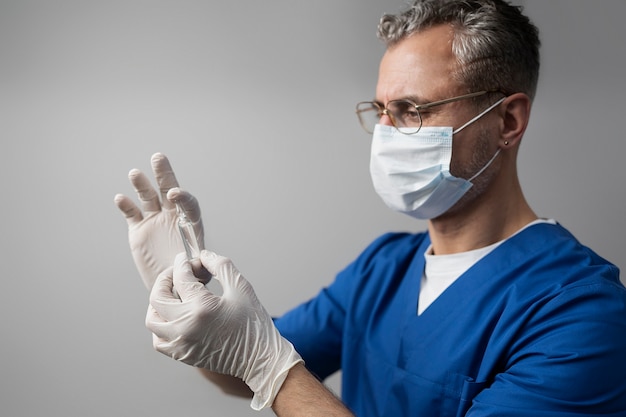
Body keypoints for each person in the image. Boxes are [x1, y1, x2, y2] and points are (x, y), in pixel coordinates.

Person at [114, 0, 626, 415]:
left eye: (411, 111)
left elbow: (266, 363)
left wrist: (271, 364)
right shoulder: (381, 269)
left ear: (508, 121)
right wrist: (189, 290)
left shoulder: (581, 315)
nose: (385, 134)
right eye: (381, 111)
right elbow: (238, 368)